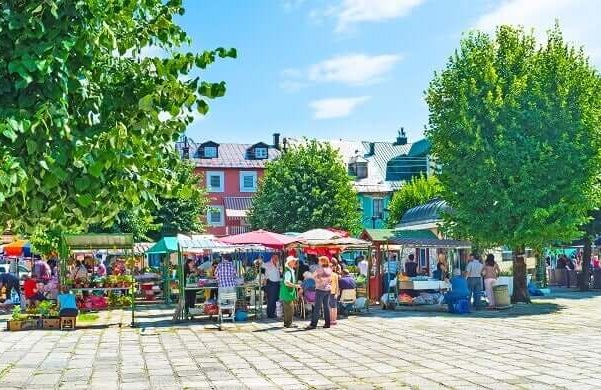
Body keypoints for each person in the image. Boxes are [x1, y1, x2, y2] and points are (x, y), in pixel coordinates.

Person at [306, 256, 332, 330]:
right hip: (328, 289)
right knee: (326, 307)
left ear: (323, 262)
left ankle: (313, 324)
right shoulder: (329, 269)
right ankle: (327, 323)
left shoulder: (320, 269)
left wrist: (317, 279)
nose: (318, 262)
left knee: (317, 307)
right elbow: (330, 279)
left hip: (320, 289)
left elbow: (311, 276)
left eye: (320, 261)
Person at [280, 256, 301, 328]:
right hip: (287, 292)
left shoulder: (290, 270)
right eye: (293, 261)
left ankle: (288, 323)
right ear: (289, 263)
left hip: (288, 292)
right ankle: (288, 323)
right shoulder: (288, 271)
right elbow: (287, 283)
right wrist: (296, 286)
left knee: (289, 308)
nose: (295, 262)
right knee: (289, 308)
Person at [262, 255, 281, 319]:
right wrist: (259, 260)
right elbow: (261, 264)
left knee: (275, 299)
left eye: (277, 258)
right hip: (271, 283)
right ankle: (270, 314)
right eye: (275, 258)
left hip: (277, 283)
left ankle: (272, 313)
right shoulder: (268, 264)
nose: (276, 259)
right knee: (271, 300)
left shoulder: (278, 264)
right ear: (272, 258)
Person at [329, 261, 340, 325]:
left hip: (332, 292)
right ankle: (333, 320)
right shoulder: (335, 275)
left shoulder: (334, 275)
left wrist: (336, 292)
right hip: (330, 292)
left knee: (332, 307)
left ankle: (333, 319)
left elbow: (337, 284)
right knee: (332, 307)